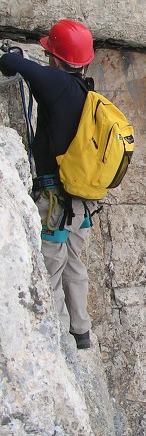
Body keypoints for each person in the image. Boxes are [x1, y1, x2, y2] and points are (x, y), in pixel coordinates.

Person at [0, 19, 97, 349]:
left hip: (55, 199)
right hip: (81, 199)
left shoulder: (56, 84)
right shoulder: (87, 91)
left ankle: (57, 339)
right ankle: (81, 332)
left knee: (51, 265)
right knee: (74, 262)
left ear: (56, 59)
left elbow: (12, 63)